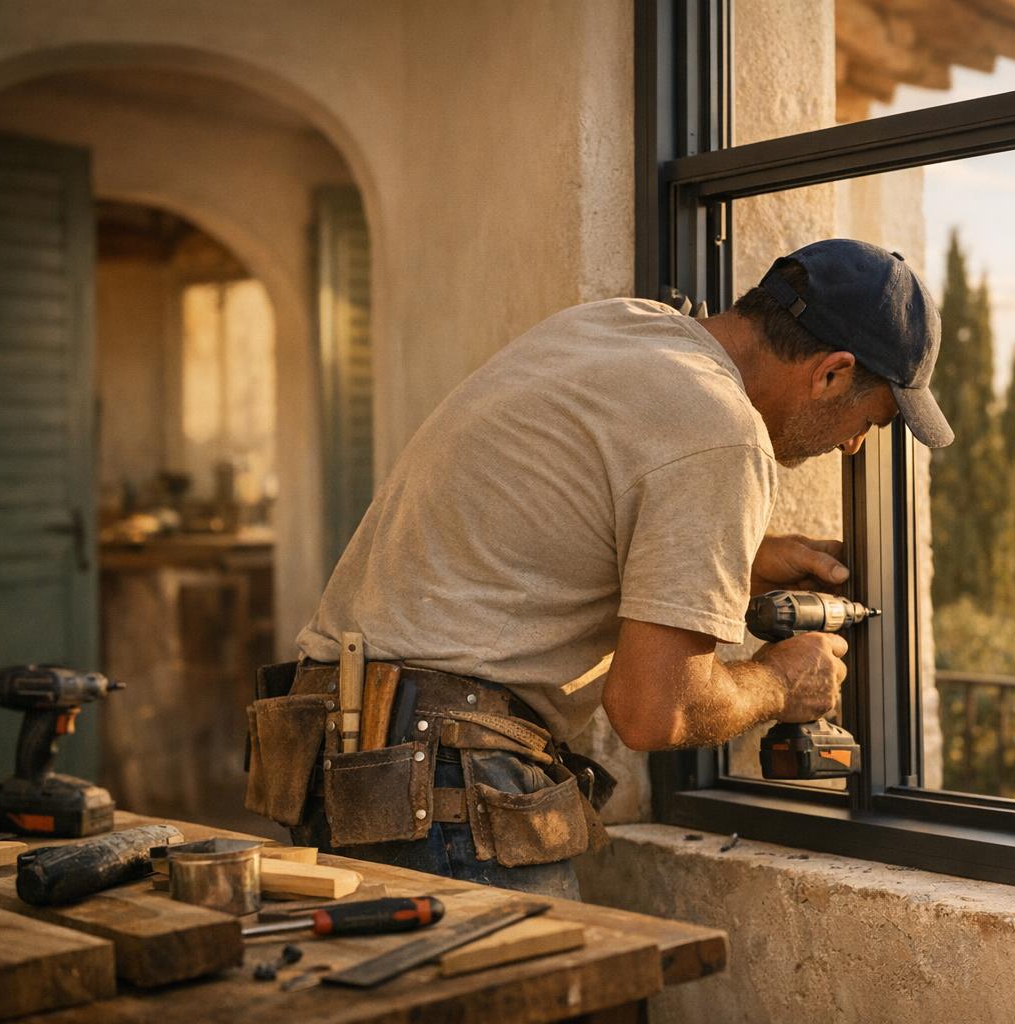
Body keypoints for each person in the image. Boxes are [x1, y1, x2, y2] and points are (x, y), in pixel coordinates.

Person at [244, 238, 952, 898]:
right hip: (441, 778)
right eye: (875, 419)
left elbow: (547, 516)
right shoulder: (720, 432)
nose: (856, 446)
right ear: (833, 373)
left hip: (337, 747)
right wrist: (777, 683)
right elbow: (653, 709)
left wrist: (739, 562)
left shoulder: (619, 327)